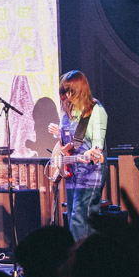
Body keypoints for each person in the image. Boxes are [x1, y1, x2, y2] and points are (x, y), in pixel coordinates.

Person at [47, 70, 107, 242]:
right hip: (72, 170)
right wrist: (59, 133)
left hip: (91, 171)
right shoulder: (68, 112)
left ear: (80, 89)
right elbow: (68, 143)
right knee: (73, 216)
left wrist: (92, 151)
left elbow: (97, 145)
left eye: (70, 91)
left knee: (81, 218)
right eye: (64, 91)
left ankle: (81, 256)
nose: (66, 96)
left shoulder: (96, 110)